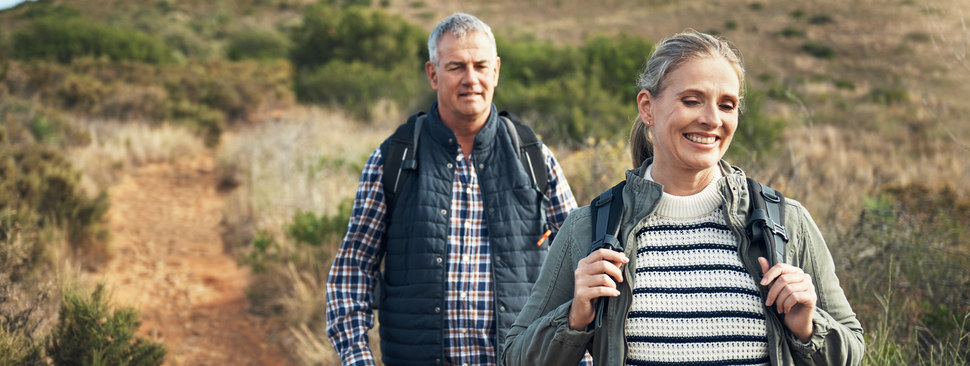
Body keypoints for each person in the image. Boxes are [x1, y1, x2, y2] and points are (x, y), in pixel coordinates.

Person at [503, 31, 865, 366]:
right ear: (648, 107)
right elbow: (516, 356)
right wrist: (575, 317)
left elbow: (851, 350)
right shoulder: (591, 228)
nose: (711, 119)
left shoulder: (784, 223)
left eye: (727, 105)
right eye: (692, 101)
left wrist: (807, 328)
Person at [326, 13, 591, 366]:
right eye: (456, 67)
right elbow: (353, 269)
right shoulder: (394, 157)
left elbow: (580, 270)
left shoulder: (533, 157)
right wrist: (357, 358)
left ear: (495, 70)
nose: (471, 79)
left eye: (480, 65)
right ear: (433, 74)